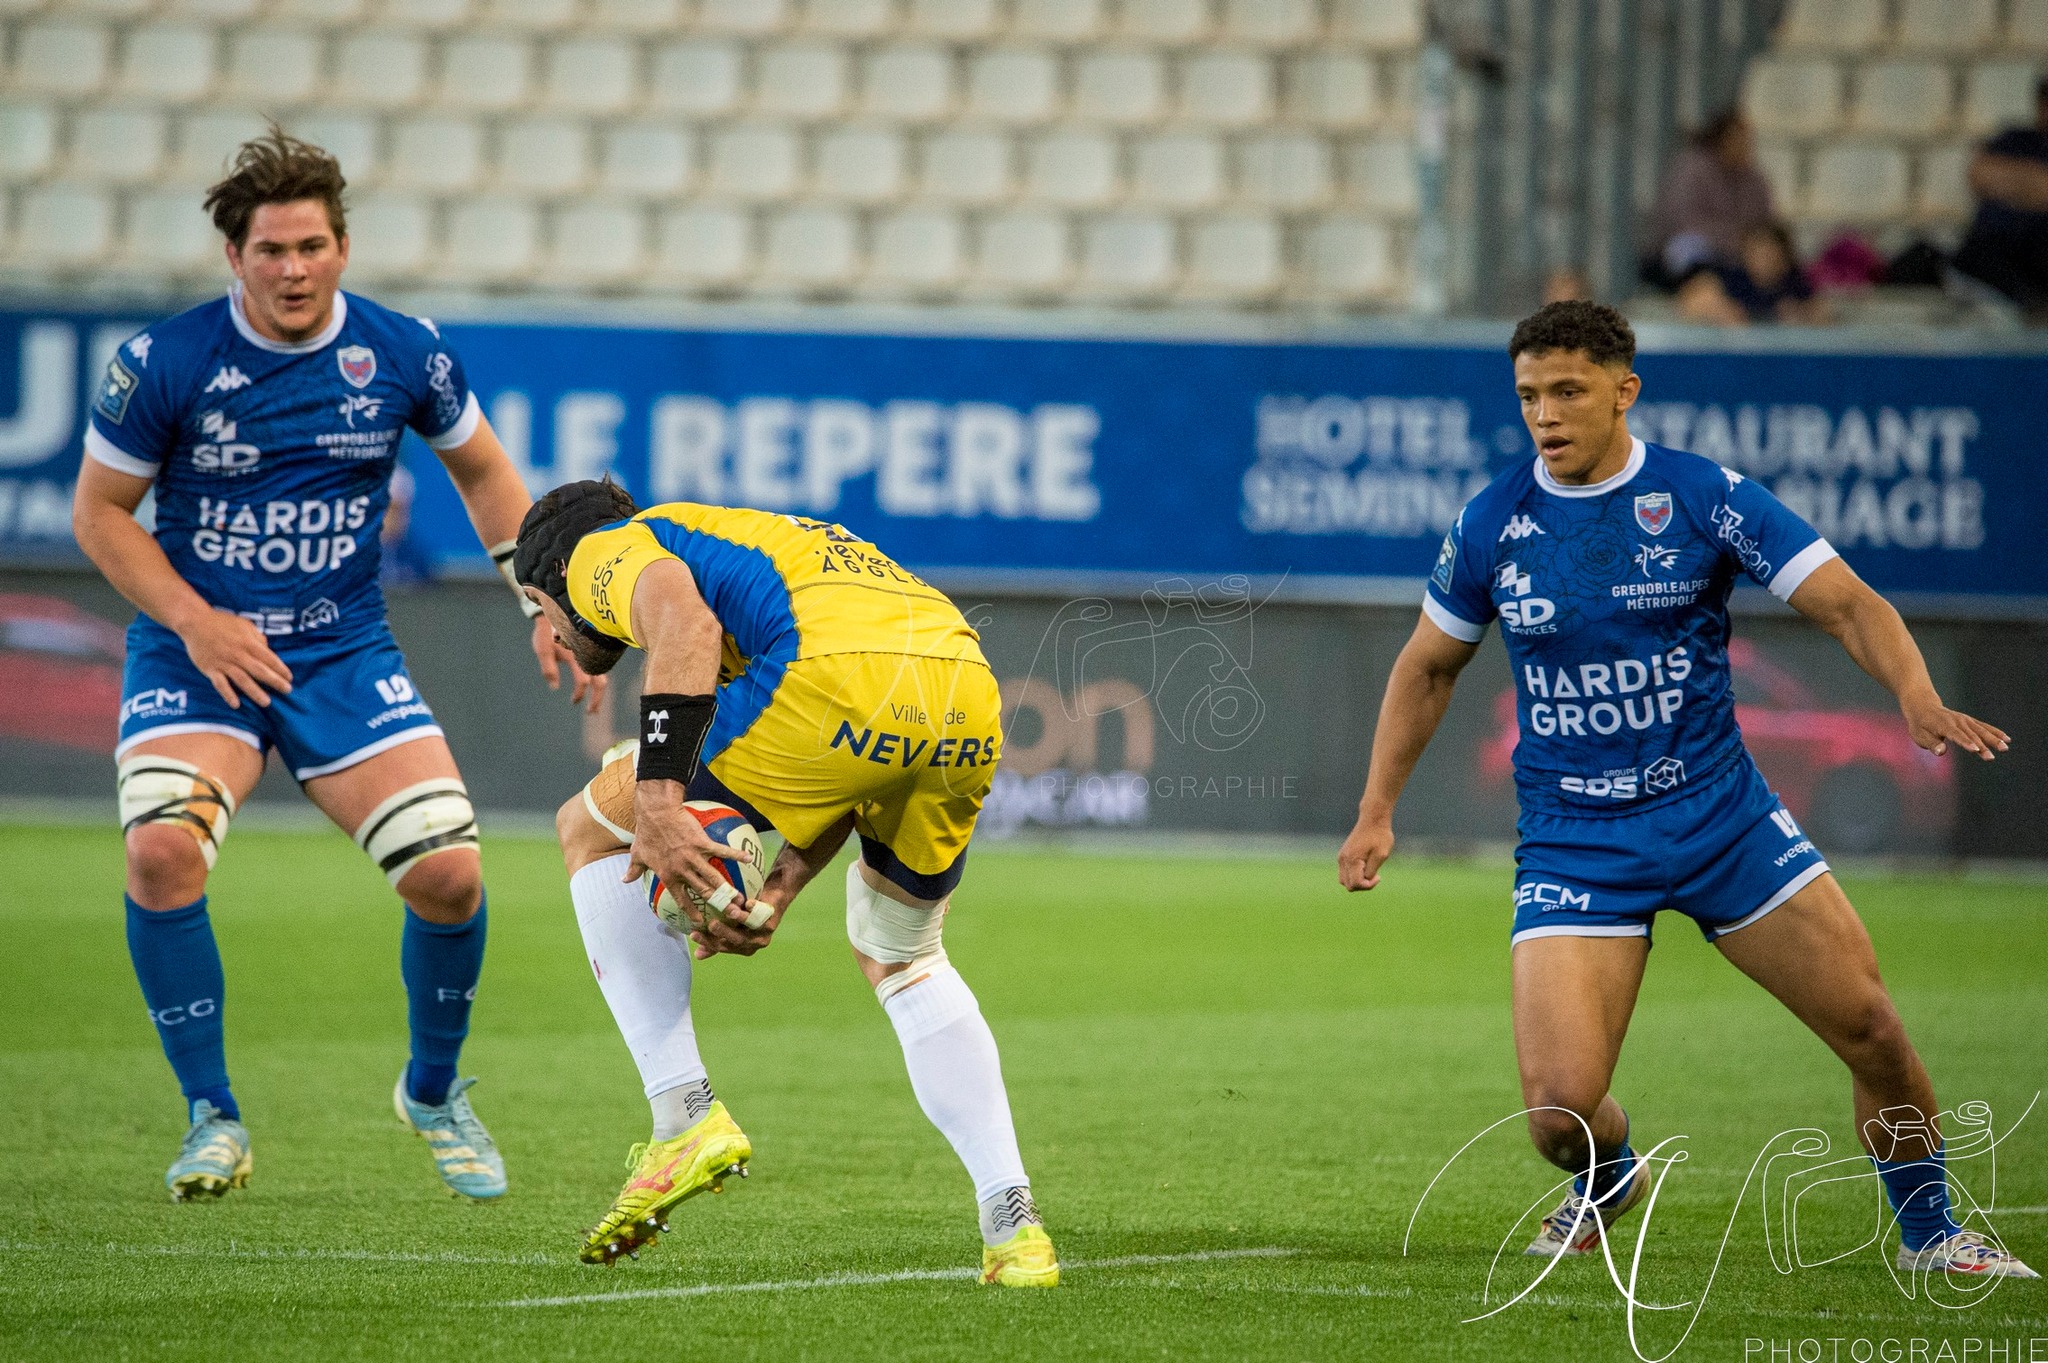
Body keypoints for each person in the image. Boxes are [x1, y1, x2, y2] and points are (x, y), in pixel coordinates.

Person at [1336, 301, 2035, 1278]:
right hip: (1577, 840)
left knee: (1871, 1029)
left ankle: (1931, 1232)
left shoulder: (1702, 497)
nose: (1545, 414)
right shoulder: (1494, 521)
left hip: (1721, 821)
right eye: (1528, 396)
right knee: (1557, 1111)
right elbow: (1427, 667)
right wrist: (1375, 809)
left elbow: (1846, 603)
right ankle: (1608, 1169)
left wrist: (1914, 695)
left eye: (1568, 391)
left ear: (1624, 390)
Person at [71, 128, 605, 1203]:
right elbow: (100, 514)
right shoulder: (164, 361)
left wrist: (541, 598)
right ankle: (212, 1115)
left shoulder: (403, 352)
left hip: (340, 648)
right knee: (162, 851)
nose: (293, 269)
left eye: (311, 246)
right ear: (234, 257)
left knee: (450, 873)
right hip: (197, 651)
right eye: (270, 250)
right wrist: (197, 621)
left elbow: (485, 472)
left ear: (344, 248)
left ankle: (432, 1092)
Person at [511, 481, 1059, 1287]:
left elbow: (685, 625)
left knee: (589, 827)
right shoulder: (751, 538)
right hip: (964, 688)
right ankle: (1014, 1224)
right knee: (903, 956)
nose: (552, 631)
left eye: (539, 610)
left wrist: (658, 803)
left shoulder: (603, 549)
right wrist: (782, 887)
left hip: (830, 677)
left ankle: (682, 1116)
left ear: (551, 581)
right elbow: (847, 761)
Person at [1646, 109, 1776, 289]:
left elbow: (1763, 222)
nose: (1744, 146)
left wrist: (1749, 243)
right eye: (1738, 139)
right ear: (1722, 139)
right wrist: (1731, 238)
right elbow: (1683, 221)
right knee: (1684, 248)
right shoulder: (1692, 168)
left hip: (1743, 251)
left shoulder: (1754, 179)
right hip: (1701, 247)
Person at [1954, 74, 2048, 321]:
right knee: (1972, 255)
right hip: (1998, 247)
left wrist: (2013, 185)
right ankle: (2029, 306)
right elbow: (1980, 175)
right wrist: (2035, 185)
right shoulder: (2015, 138)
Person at [1674, 222, 1828, 326]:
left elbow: (1823, 316)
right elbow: (1690, 301)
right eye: (1756, 254)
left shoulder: (1796, 285)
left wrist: (1803, 317)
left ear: (1785, 257)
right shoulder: (1732, 279)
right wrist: (1719, 310)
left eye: (1769, 254)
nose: (1763, 261)